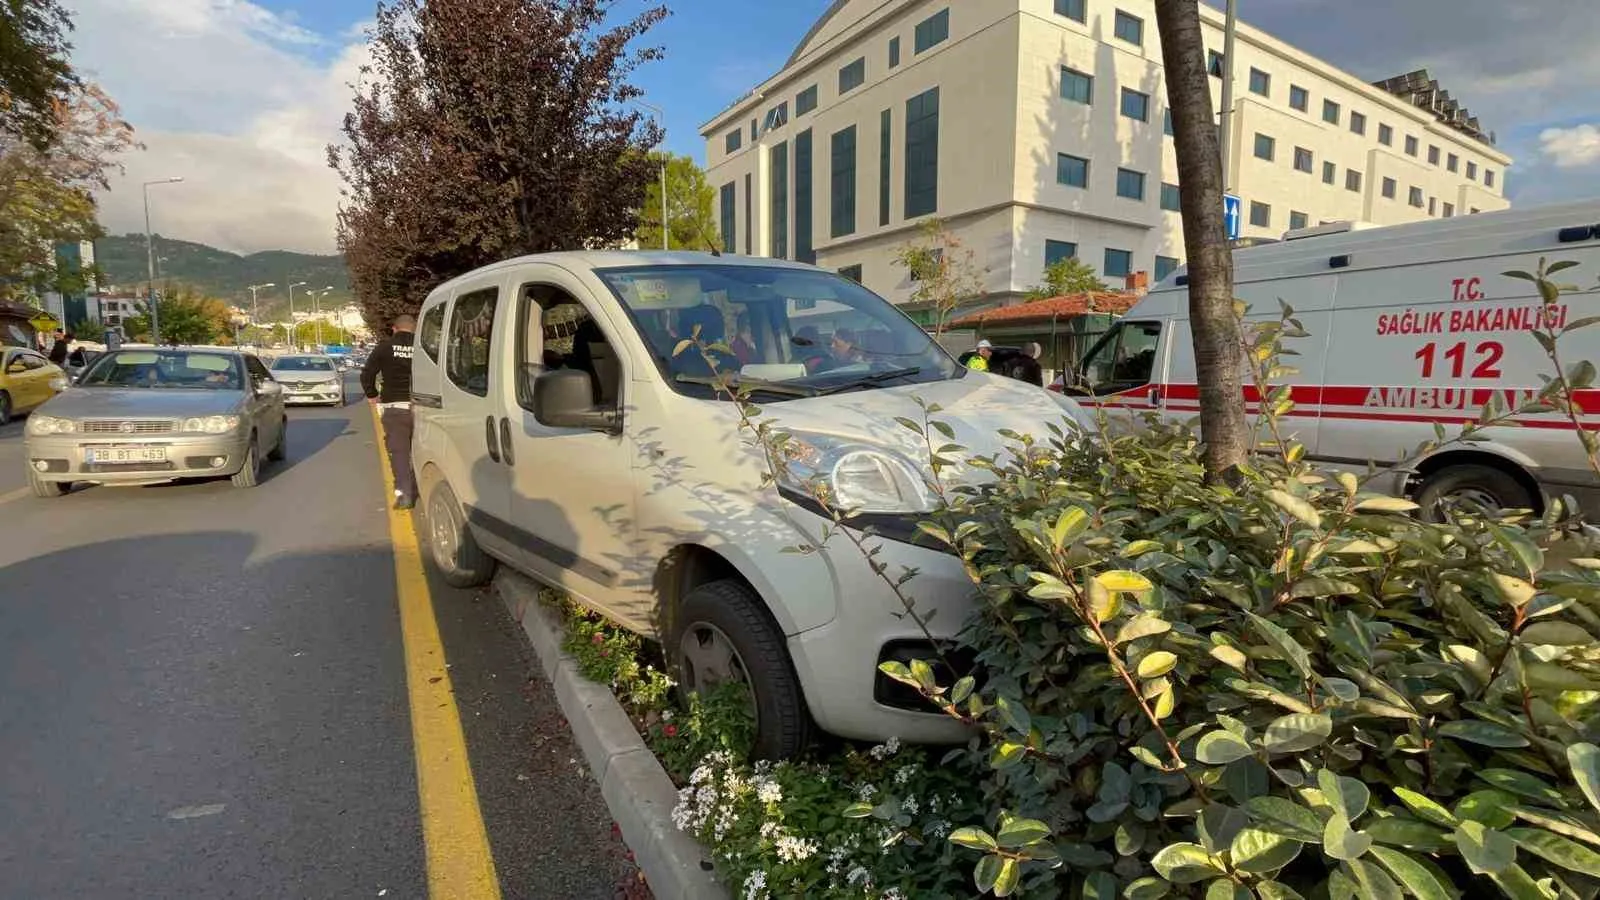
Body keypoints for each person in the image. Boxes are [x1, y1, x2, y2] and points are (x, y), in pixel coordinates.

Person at [362, 313, 418, 510]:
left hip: (395, 407)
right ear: (414, 328)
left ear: (394, 329)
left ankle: (405, 496)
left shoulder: (385, 347)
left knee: (400, 452)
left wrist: (372, 395)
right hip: (422, 406)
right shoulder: (423, 346)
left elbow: (367, 373)